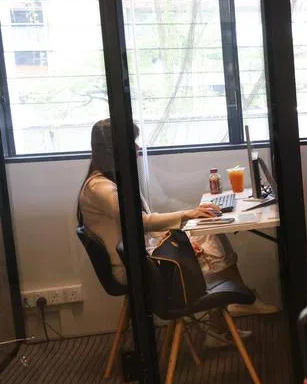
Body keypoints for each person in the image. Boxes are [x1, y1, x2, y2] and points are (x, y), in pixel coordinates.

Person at [76, 119, 274, 322]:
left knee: (207, 231)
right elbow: (141, 222)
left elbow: (141, 227)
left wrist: (185, 237)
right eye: (131, 142)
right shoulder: (100, 188)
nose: (137, 147)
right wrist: (188, 215)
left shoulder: (113, 180)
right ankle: (236, 304)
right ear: (112, 150)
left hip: (142, 255)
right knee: (210, 236)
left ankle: (223, 318)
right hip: (134, 267)